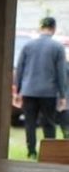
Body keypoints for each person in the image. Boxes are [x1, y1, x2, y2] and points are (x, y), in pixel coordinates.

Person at [15, 16, 67, 158]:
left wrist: (18, 90)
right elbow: (60, 73)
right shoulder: (58, 47)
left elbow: (20, 69)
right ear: (54, 28)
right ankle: (49, 153)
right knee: (49, 123)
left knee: (30, 122)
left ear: (40, 28)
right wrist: (62, 95)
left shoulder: (28, 46)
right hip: (48, 92)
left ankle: (31, 151)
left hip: (29, 90)